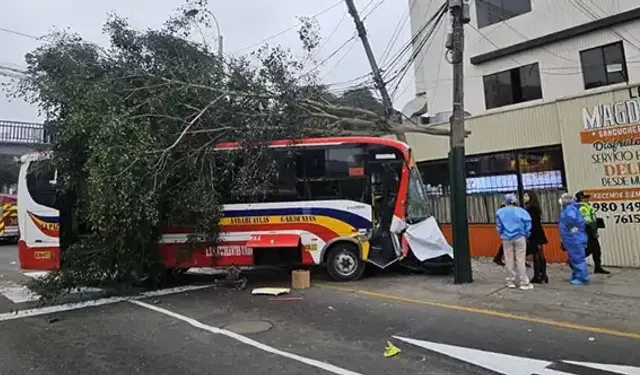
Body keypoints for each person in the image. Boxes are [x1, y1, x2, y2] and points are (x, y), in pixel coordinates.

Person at [496, 194, 533, 290]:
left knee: (508, 259)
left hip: (506, 238)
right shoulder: (521, 211)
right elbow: (528, 223)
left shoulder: (500, 212)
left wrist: (501, 233)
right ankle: (524, 282)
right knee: (520, 259)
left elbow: (499, 226)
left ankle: (510, 281)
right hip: (520, 237)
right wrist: (526, 232)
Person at [575, 191, 610, 274]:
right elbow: (587, 220)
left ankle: (598, 267)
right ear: (581, 198)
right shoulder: (582, 207)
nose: (587, 199)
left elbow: (592, 218)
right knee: (590, 249)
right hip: (587, 229)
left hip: (591, 229)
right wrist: (593, 229)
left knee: (596, 250)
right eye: (585, 198)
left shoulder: (587, 206)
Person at [559, 193, 590, 285]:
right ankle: (577, 275)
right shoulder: (570, 208)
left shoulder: (569, 209)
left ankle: (582, 278)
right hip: (572, 238)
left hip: (574, 238)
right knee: (574, 259)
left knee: (578, 259)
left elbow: (572, 219)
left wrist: (570, 228)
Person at [524, 191, 548, 284]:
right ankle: (543, 275)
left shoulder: (531, 209)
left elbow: (532, 222)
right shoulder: (535, 208)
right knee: (539, 254)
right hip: (538, 232)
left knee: (536, 254)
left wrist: (529, 233)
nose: (524, 197)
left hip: (534, 233)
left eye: (526, 195)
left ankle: (538, 275)